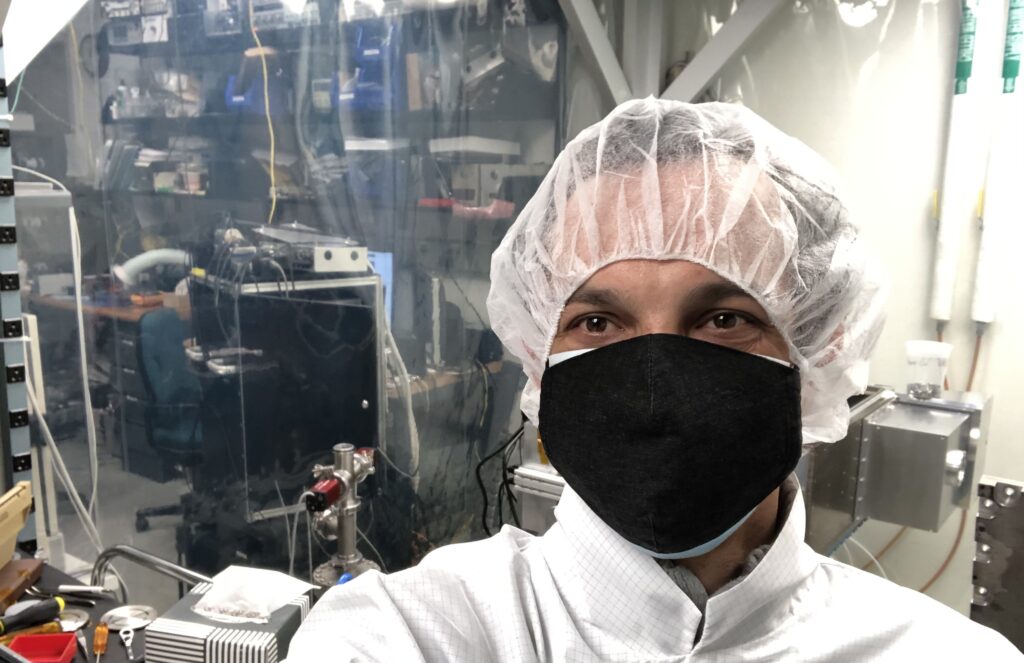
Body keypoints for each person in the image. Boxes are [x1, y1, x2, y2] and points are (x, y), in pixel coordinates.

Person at [287, 98, 1020, 661]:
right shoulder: (411, 633)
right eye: (598, 323)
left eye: (724, 318)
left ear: (816, 355)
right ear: (538, 362)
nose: (656, 378)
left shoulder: (946, 653)